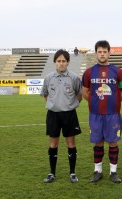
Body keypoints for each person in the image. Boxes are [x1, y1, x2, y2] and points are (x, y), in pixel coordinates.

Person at [82, 40, 122, 183]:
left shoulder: (117, 71)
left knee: (113, 142)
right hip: (95, 114)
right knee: (98, 143)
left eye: (104, 52)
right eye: (99, 52)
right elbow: (84, 92)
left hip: (112, 114)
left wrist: (114, 102)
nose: (102, 54)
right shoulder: (89, 72)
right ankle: (98, 171)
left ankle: (113, 172)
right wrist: (95, 102)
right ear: (96, 53)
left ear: (109, 53)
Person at [41, 49, 82, 183]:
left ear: (68, 62)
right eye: (59, 61)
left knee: (71, 143)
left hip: (69, 114)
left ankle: (72, 173)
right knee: (53, 144)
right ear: (55, 62)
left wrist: (68, 105)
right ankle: (52, 173)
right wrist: (54, 105)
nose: (61, 63)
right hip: (53, 114)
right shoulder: (48, 78)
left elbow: (79, 95)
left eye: (64, 61)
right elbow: (45, 95)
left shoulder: (74, 78)